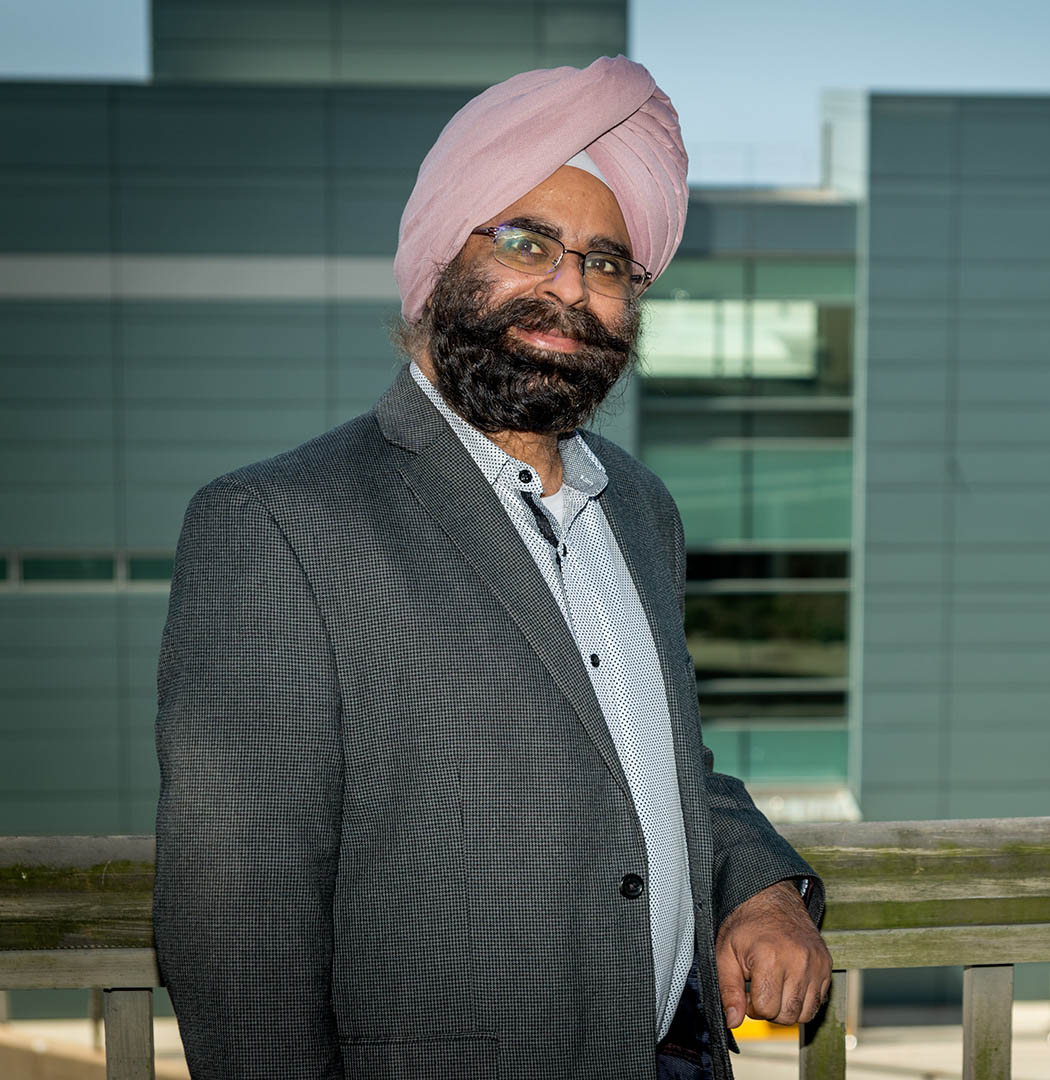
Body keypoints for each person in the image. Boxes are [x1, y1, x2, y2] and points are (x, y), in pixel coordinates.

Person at [153, 55, 831, 1080]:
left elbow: (654, 765)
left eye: (608, 264)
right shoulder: (277, 524)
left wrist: (764, 887)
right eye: (526, 242)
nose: (571, 288)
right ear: (441, 256)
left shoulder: (639, 507)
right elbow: (240, 930)